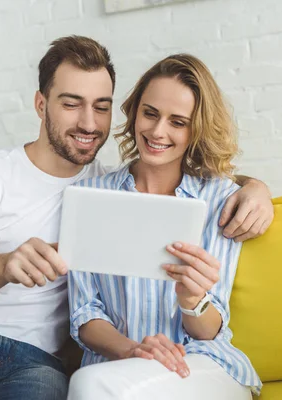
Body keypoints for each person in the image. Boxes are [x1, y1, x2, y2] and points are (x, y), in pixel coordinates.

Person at [0, 37, 272, 400]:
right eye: (71, 104)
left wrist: (256, 188)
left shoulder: (130, 191)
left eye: (101, 106)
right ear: (40, 104)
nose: (88, 122)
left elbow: (194, 178)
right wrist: (3, 265)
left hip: (37, 361)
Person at [67, 54, 262, 400]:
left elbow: (209, 330)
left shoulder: (220, 199)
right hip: (117, 370)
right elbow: (85, 314)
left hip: (202, 366)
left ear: (196, 129)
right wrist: (133, 350)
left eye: (178, 122)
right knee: (88, 383)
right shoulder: (90, 196)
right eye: (150, 114)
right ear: (135, 112)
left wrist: (192, 299)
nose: (157, 132)